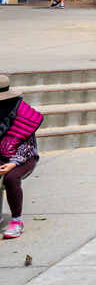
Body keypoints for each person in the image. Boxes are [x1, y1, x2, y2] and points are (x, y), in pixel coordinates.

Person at [0, 75, 43, 239]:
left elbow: (28, 145)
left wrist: (13, 163)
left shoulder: (23, 112)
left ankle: (17, 221)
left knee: (11, 178)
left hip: (24, 157)